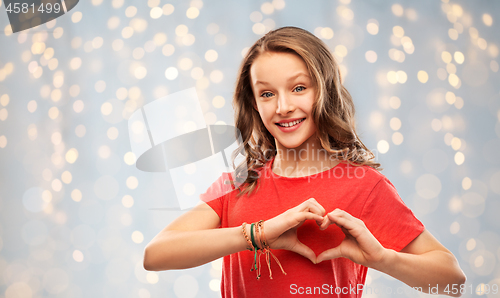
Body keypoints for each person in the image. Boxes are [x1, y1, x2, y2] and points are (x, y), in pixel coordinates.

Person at [143, 26, 466, 297]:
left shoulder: (364, 186)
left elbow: (451, 280)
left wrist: (382, 258)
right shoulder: (239, 183)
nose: (283, 106)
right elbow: (156, 254)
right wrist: (259, 233)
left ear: (323, 92)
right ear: (254, 105)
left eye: (299, 88)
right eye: (267, 94)